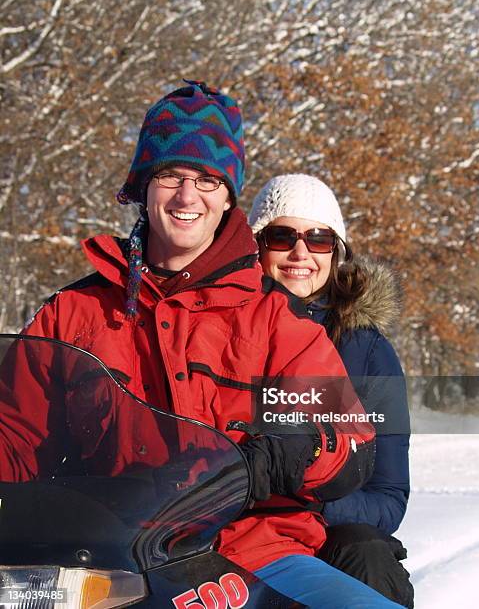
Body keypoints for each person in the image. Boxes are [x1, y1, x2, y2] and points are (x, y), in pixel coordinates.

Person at [1, 81, 403, 607]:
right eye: (171, 175)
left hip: (254, 551)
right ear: (143, 186)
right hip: (102, 560)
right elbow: (15, 439)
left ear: (229, 196)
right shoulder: (71, 314)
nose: (188, 196)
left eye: (209, 180)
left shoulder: (275, 319)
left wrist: (283, 454)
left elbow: (343, 438)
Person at [249, 173, 414, 608]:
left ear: (337, 253)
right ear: (256, 246)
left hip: (329, 532)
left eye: (319, 239)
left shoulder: (366, 350)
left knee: (368, 556)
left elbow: (387, 497)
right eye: (282, 236)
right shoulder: (221, 329)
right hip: (229, 525)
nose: (300, 252)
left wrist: (306, 507)